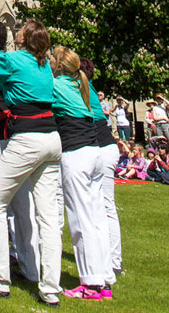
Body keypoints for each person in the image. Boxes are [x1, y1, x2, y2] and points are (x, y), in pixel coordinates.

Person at [0, 19, 62, 307]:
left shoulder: (17, 59)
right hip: (52, 138)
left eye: (22, 28)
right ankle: (50, 288)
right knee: (47, 216)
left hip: (28, 138)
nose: (16, 29)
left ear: (25, 39)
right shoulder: (43, 64)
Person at [51, 47, 111, 301]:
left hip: (77, 153)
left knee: (80, 220)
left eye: (52, 57)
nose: (49, 59)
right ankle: (104, 278)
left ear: (60, 66)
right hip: (94, 151)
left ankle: (91, 284)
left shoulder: (57, 85)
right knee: (97, 218)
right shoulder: (78, 84)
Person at [79, 57, 122, 281]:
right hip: (105, 147)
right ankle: (112, 261)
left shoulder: (81, 86)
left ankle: (113, 262)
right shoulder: (88, 87)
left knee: (104, 207)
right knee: (104, 207)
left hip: (101, 147)